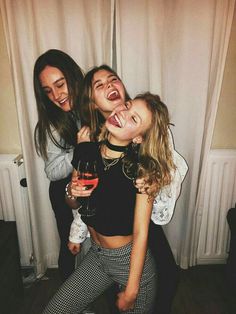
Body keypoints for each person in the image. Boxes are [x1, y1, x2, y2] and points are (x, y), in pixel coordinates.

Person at [68, 65, 188, 314]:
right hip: (100, 253)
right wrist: (73, 196)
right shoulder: (91, 143)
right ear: (92, 103)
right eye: (98, 85)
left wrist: (152, 177)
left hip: (135, 234)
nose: (109, 86)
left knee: (165, 277)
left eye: (113, 79)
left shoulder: (143, 156)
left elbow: (144, 226)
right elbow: (81, 202)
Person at [43, 92, 176, 314]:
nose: (122, 113)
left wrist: (131, 291)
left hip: (131, 267)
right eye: (127, 106)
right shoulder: (87, 151)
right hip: (97, 258)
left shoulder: (140, 172)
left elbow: (141, 232)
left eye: (134, 119)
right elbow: (73, 203)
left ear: (138, 138)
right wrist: (71, 190)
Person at [33, 49, 84, 280]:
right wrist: (82, 148)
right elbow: (51, 171)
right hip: (63, 189)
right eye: (48, 91)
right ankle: (70, 302)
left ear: (73, 76)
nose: (56, 95)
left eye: (60, 84)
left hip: (86, 186)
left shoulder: (86, 107)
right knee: (70, 247)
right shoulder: (52, 124)